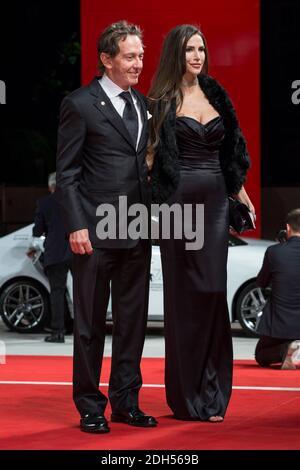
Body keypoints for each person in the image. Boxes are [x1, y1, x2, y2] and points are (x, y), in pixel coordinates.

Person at [148, 24, 255, 422]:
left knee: (212, 292)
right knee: (184, 298)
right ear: (177, 53)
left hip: (213, 202)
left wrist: (239, 191)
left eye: (201, 49)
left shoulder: (216, 94)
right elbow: (150, 158)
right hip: (178, 207)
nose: (197, 56)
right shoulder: (160, 99)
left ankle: (213, 391)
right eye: (190, 49)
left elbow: (232, 150)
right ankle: (187, 395)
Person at [56, 21, 156, 434]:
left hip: (136, 232)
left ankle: (126, 402)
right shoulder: (79, 104)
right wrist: (77, 225)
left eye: (141, 57)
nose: (138, 64)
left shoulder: (143, 104)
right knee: (91, 326)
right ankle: (89, 406)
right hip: (94, 235)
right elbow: (67, 174)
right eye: (130, 57)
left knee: (133, 324)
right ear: (106, 59)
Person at [255, 208, 300, 370]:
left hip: (281, 324)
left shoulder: (274, 252)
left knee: (261, 354)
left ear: (288, 228)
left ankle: (285, 350)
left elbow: (261, 282)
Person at [32, 172, 72, 343]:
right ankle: (81, 330)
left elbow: (37, 231)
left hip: (55, 252)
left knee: (57, 291)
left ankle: (58, 332)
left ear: (50, 187)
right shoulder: (73, 200)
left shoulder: (44, 203)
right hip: (78, 250)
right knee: (83, 292)